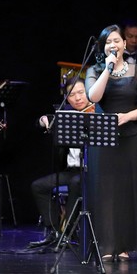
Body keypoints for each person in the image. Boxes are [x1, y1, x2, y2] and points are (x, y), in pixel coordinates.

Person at [84, 24, 137, 261]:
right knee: (105, 191)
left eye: (116, 41)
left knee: (126, 191)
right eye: (108, 42)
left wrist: (128, 116)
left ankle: (124, 245)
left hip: (131, 138)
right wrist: (108, 68)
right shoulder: (95, 70)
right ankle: (106, 243)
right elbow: (93, 96)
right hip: (103, 140)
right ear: (102, 47)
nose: (113, 45)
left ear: (124, 43)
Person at [28, 78, 93, 248]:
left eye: (81, 92)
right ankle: (55, 230)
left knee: (76, 182)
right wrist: (43, 120)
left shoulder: (97, 112)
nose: (77, 98)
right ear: (67, 98)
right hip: (71, 170)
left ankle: (68, 231)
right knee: (38, 186)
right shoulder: (66, 115)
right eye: (72, 95)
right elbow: (43, 120)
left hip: (92, 171)